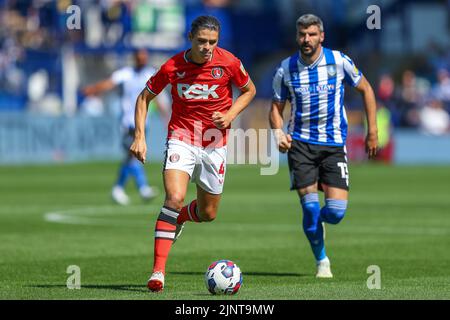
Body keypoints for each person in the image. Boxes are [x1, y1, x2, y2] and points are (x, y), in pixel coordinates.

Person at [130, 15, 256, 292]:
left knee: (208, 213)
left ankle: (182, 218)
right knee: (173, 198)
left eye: (212, 42)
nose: (207, 47)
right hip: (181, 138)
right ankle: (158, 273)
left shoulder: (229, 63)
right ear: (191, 38)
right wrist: (140, 136)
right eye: (201, 41)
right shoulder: (173, 66)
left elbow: (249, 90)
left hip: (214, 144)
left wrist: (231, 113)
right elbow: (144, 97)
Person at [269, 14, 378, 278]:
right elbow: (275, 108)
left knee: (336, 213)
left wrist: (372, 130)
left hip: (333, 145)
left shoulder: (339, 61)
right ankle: (322, 261)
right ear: (297, 37)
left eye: (312, 34)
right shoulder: (285, 68)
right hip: (301, 145)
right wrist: (277, 132)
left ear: (322, 36)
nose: (306, 39)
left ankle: (317, 223)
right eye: (302, 34)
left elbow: (366, 89)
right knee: (309, 207)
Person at [83, 49, 169, 205]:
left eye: (144, 57)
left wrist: (165, 116)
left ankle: (119, 189)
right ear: (135, 58)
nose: (142, 60)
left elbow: (155, 97)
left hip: (143, 122)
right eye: (139, 57)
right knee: (133, 155)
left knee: (132, 157)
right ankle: (142, 189)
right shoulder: (126, 73)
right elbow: (109, 83)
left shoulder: (150, 73)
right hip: (128, 122)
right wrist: (93, 90)